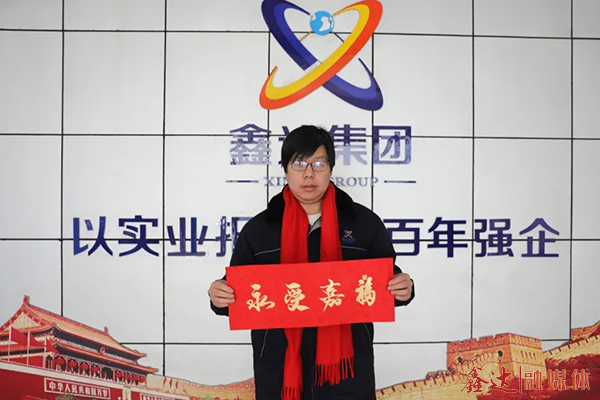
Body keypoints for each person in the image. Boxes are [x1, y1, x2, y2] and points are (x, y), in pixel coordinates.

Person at [209, 125, 414, 400]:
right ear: (285, 169)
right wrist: (219, 296)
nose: (309, 174)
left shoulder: (363, 223)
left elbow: (388, 281)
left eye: (319, 164)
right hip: (280, 370)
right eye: (299, 164)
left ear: (331, 169)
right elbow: (236, 291)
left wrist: (404, 289)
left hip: (347, 371)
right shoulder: (259, 230)